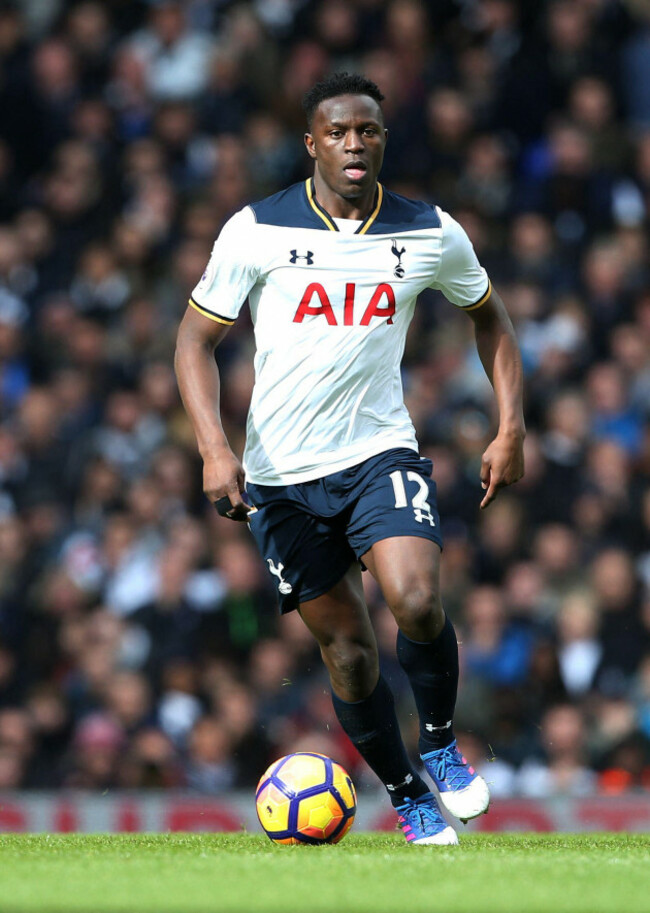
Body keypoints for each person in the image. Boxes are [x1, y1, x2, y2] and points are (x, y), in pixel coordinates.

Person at [175, 72, 525, 845]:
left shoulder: (429, 231)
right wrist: (213, 448)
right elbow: (194, 340)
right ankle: (406, 792)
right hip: (281, 477)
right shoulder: (255, 231)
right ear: (312, 144)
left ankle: (438, 741)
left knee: (418, 598)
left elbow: (491, 320)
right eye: (337, 132)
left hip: (377, 451)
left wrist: (511, 428)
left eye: (366, 130)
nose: (353, 143)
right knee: (349, 654)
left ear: (383, 139)